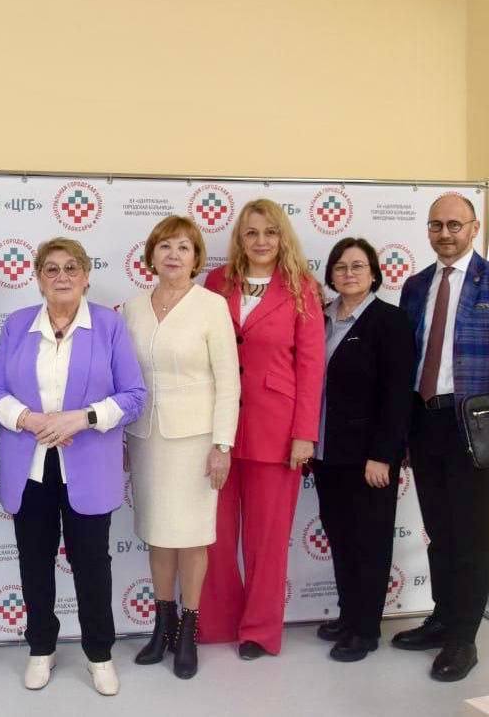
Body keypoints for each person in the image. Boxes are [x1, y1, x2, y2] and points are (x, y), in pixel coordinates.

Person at [0, 237, 146, 697]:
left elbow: (134, 397)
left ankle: (99, 653)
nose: (62, 276)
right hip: (29, 467)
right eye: (51, 269)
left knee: (92, 563)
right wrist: (30, 420)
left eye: (71, 267)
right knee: (34, 561)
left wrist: (82, 418)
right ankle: (41, 648)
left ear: (86, 276)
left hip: (88, 468)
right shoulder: (18, 325)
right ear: (38, 278)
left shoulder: (109, 326)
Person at [392, 193, 489, 682]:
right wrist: (401, 432)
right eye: (436, 225)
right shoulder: (415, 286)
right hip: (424, 421)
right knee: (439, 530)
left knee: (469, 534)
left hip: (474, 428)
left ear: (474, 228)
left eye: (455, 224)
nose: (445, 233)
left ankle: (463, 639)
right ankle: (442, 618)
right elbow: (408, 361)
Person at [197, 198, 325, 660]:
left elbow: (311, 366)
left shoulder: (301, 288)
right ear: (239, 239)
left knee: (267, 541)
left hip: (277, 430)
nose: (261, 241)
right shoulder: (217, 282)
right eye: (251, 232)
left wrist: (304, 434)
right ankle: (217, 622)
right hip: (218, 427)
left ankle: (259, 630)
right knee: (214, 534)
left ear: (282, 237)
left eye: (270, 232)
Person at [121, 216, 239, 679]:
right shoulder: (132, 308)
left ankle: (189, 628)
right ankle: (162, 625)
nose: (173, 254)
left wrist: (222, 444)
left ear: (196, 258)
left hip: (195, 442)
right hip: (146, 439)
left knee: (191, 536)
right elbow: (124, 379)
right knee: (157, 532)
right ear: (151, 255)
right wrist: (122, 437)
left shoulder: (212, 306)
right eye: (165, 246)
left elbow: (228, 382)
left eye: (184, 247)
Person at [312, 237, 414, 663]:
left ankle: (366, 629)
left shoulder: (390, 321)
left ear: (374, 273)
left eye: (357, 266)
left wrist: (384, 454)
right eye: (340, 266)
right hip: (327, 453)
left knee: (369, 542)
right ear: (331, 274)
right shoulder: (320, 319)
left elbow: (397, 394)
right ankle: (348, 615)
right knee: (340, 538)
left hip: (369, 458)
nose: (348, 273)